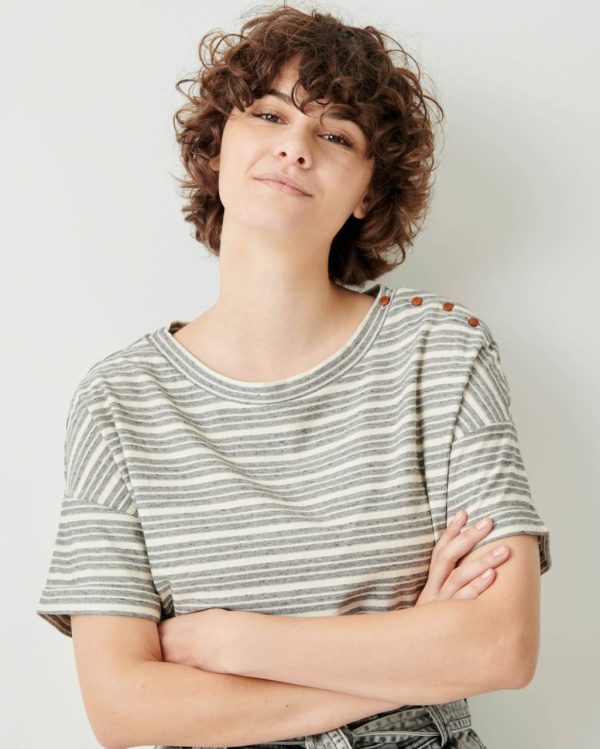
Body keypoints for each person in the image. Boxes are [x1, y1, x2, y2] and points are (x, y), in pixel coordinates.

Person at [36, 4, 552, 749]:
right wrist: (411, 653)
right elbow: (123, 708)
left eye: (336, 135)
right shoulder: (119, 400)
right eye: (270, 115)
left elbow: (500, 647)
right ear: (218, 149)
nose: (296, 147)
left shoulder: (442, 351)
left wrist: (230, 641)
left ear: (368, 191)